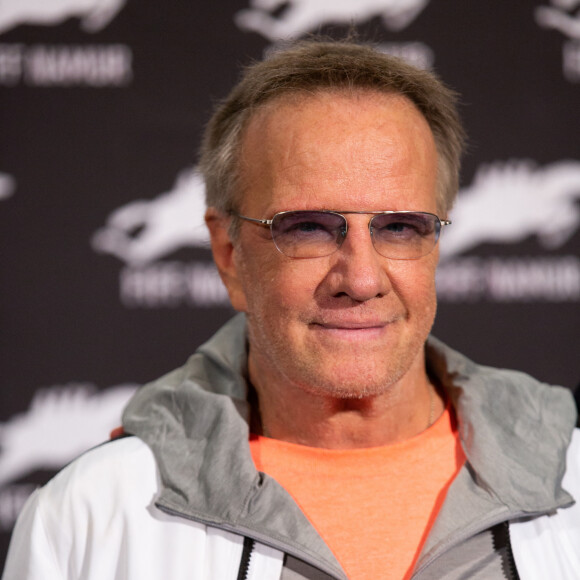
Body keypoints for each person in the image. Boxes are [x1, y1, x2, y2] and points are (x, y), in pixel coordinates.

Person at [4, 39, 579, 580]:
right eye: (308, 228)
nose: (360, 278)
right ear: (229, 254)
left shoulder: (572, 477)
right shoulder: (91, 519)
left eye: (400, 227)